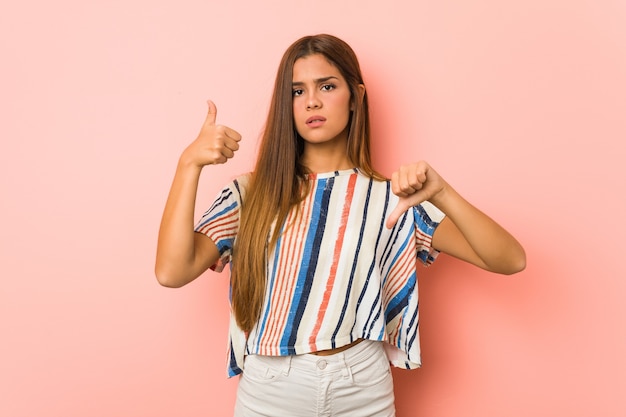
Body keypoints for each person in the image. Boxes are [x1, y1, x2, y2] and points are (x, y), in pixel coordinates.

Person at [155, 34, 526, 417]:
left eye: (327, 86)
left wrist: (443, 193)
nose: (311, 101)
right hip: (271, 389)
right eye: (297, 91)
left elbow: (510, 259)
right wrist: (189, 164)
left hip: (363, 386)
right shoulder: (250, 194)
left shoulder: (393, 198)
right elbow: (171, 271)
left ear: (356, 97)